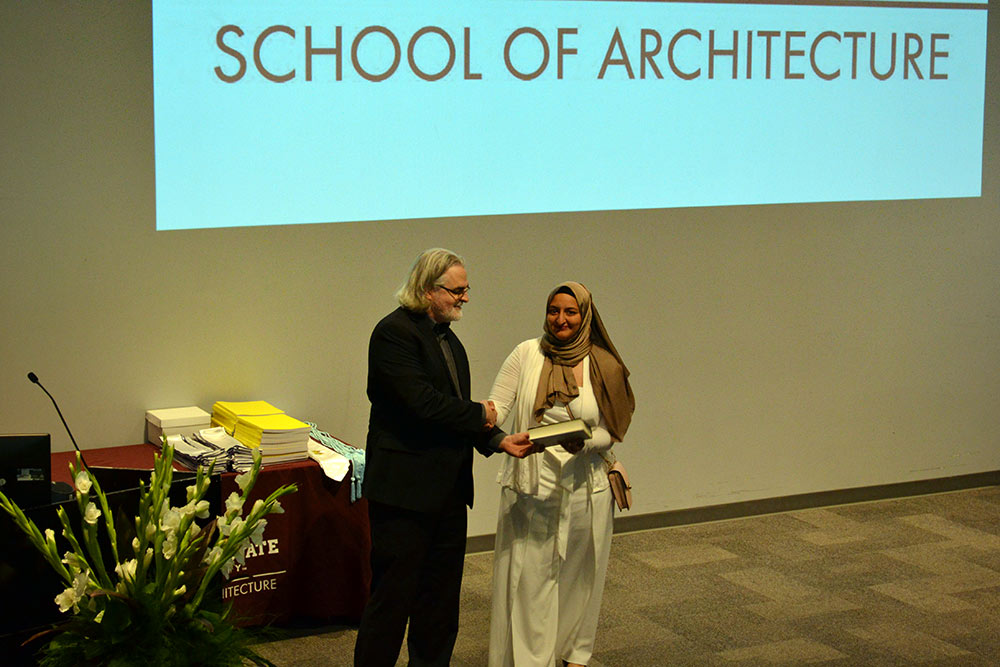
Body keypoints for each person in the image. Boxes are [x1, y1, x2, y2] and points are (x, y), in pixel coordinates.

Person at [354, 248, 534, 667]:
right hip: (404, 498)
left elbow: (450, 413)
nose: (465, 298)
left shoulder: (448, 339)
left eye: (466, 289)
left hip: (448, 496)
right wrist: (481, 413)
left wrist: (497, 440)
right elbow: (423, 405)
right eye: (457, 290)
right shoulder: (393, 334)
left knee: (439, 609)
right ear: (428, 289)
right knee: (391, 605)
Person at [486, 281, 635, 667]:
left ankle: (572, 656)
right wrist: (474, 417)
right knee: (530, 583)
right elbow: (497, 406)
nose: (561, 320)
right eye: (554, 310)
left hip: (588, 487)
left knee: (578, 579)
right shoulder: (526, 354)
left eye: (570, 312)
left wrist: (583, 443)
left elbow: (610, 429)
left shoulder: (603, 363)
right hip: (533, 485)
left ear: (585, 316)